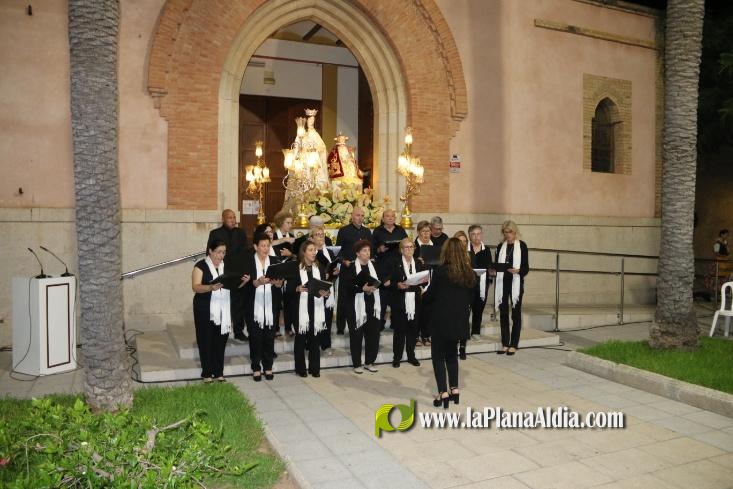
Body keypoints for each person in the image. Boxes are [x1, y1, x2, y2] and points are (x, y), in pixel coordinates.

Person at [422, 238, 475, 408]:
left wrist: (422, 294)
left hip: (441, 320)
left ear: (446, 252)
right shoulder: (469, 273)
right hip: (459, 320)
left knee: (438, 355)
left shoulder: (440, 271)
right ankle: (455, 390)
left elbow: (429, 296)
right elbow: (472, 298)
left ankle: (442, 393)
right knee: (452, 354)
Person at [192, 237, 250, 382]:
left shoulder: (227, 266)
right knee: (205, 341)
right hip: (204, 308)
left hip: (223, 309)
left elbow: (233, 287)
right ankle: (207, 373)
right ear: (210, 251)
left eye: (223, 252)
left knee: (220, 341)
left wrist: (243, 282)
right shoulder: (200, 266)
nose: (221, 255)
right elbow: (195, 287)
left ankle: (218, 372)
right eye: (218, 252)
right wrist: (210, 287)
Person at [287, 240, 334, 377]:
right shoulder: (295, 268)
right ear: (303, 252)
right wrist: (297, 288)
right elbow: (288, 290)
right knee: (301, 339)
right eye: (311, 250)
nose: (314, 252)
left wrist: (326, 293)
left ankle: (315, 369)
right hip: (300, 308)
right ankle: (300, 369)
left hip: (315, 306)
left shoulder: (319, 268)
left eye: (315, 250)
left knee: (315, 338)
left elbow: (323, 286)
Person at [244, 233, 285, 381]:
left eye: (268, 245)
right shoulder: (248, 261)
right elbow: (244, 285)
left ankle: (268, 367)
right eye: (262, 246)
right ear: (256, 246)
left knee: (269, 336)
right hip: (253, 305)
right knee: (255, 337)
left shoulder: (275, 261)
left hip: (271, 305)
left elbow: (280, 282)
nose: (266, 248)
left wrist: (278, 283)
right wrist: (257, 282)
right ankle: (256, 367)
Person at [341, 239, 385, 373]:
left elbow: (379, 281)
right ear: (357, 253)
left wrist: (375, 287)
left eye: (369, 250)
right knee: (356, 336)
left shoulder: (374, 265)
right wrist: (362, 289)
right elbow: (346, 288)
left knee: (373, 335)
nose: (367, 253)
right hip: (355, 307)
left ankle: (369, 362)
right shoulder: (350, 267)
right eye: (364, 251)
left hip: (373, 305)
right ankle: (357, 364)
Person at [208, 209, 249, 342]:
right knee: (222, 302)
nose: (233, 220)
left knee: (238, 304)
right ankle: (219, 330)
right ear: (223, 219)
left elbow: (245, 253)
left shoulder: (241, 232)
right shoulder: (215, 233)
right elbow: (209, 253)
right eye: (229, 218)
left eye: (234, 217)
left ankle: (238, 331)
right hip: (222, 273)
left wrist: (245, 271)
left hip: (238, 273)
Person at [389, 238, 427, 368]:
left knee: (413, 330)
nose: (410, 249)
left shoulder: (419, 262)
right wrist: (397, 285)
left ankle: (411, 356)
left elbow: (424, 280)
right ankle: (397, 358)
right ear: (401, 250)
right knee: (399, 331)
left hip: (415, 300)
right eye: (406, 247)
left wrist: (424, 280)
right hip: (400, 300)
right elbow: (389, 282)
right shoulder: (395, 263)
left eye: (412, 247)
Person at [335, 207, 373, 334]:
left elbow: (370, 249)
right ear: (352, 216)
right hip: (348, 268)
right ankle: (341, 326)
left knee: (363, 292)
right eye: (357, 215)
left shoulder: (367, 231)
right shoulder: (343, 230)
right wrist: (343, 261)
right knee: (344, 297)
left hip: (363, 268)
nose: (360, 218)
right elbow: (338, 251)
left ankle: (364, 321)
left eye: (362, 215)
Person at [494, 220, 529, 356]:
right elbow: (497, 266)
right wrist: (493, 271)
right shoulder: (500, 247)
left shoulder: (522, 246)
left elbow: (526, 268)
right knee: (503, 314)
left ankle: (514, 344)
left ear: (515, 232)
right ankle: (505, 344)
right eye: (505, 232)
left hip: (516, 283)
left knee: (515, 314)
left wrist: (518, 271)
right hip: (502, 284)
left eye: (510, 232)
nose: (508, 235)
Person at [373, 208, 408, 329]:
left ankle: (395, 322)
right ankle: (380, 323)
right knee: (382, 295)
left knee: (397, 295)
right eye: (387, 216)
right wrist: (379, 249)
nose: (390, 218)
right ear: (383, 218)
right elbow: (372, 249)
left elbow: (406, 244)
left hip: (397, 266)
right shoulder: (377, 231)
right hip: (382, 266)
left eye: (392, 216)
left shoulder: (400, 230)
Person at [311, 225, 339, 354]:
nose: (321, 237)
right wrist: (323, 275)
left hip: (328, 289)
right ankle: (312, 344)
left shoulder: (330, 253)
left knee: (327, 317)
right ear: (312, 238)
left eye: (322, 234)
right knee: (315, 317)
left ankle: (326, 344)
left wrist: (336, 272)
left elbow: (333, 270)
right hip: (315, 289)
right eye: (317, 235)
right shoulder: (310, 252)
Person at [414, 220, 435, 346]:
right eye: (423, 231)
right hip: (418, 282)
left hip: (431, 281)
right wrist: (417, 261)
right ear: (418, 232)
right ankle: (416, 335)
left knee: (429, 310)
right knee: (418, 310)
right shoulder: (414, 246)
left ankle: (426, 335)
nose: (426, 234)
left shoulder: (435, 246)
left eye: (428, 231)